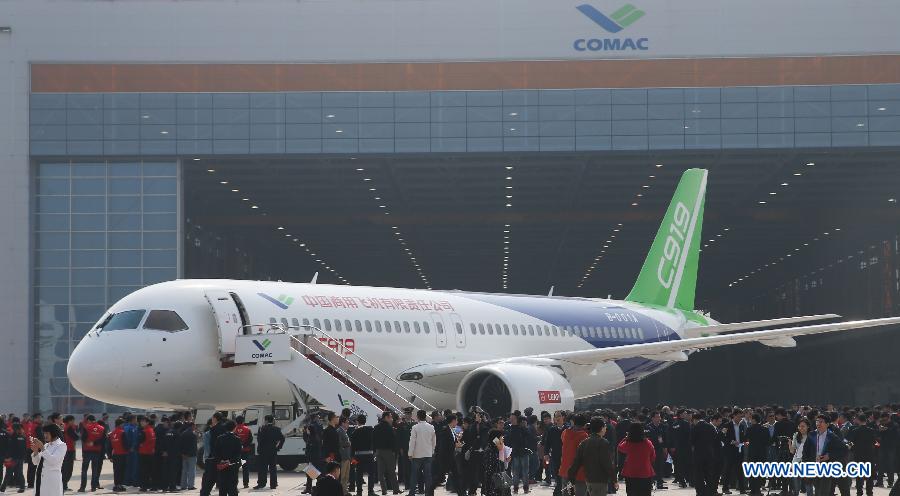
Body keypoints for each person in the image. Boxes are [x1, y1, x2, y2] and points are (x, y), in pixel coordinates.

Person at [568, 417, 616, 496]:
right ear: (601, 428)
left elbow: (576, 462)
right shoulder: (603, 442)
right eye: (604, 427)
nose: (605, 429)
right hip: (600, 480)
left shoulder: (584, 443)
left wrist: (571, 477)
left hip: (588, 479)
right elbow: (607, 463)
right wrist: (614, 479)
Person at [804, 415, 849, 496]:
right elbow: (805, 452)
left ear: (827, 424)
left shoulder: (831, 436)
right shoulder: (811, 435)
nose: (818, 423)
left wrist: (829, 456)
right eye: (817, 421)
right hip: (814, 466)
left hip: (827, 467)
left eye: (821, 422)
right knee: (818, 490)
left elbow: (844, 449)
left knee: (823, 491)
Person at [617, 423, 655, 496]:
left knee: (631, 493)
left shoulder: (627, 443)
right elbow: (653, 457)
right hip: (645, 472)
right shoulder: (648, 443)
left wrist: (625, 438)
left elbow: (619, 447)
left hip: (630, 472)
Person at [31, 424, 66, 496]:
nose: (45, 435)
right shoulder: (47, 445)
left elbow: (53, 461)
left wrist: (42, 448)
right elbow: (35, 462)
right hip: (40, 477)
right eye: (44, 433)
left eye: (47, 433)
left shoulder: (61, 445)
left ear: (54, 433)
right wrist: (35, 452)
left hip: (51, 479)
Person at [690, 412, 720, 496]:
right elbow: (716, 440)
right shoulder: (710, 427)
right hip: (709, 454)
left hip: (698, 455)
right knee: (709, 475)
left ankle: (700, 492)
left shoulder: (695, 427)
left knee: (698, 475)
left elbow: (691, 441)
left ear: (695, 419)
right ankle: (710, 491)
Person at [847, 414, 876, 496]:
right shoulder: (871, 430)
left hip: (858, 455)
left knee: (859, 475)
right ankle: (869, 492)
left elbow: (851, 443)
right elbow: (875, 442)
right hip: (869, 455)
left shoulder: (855, 431)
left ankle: (859, 491)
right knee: (869, 475)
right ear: (866, 420)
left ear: (859, 420)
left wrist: (852, 450)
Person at [408, 410, 436, 496]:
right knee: (428, 475)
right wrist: (432, 451)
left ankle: (412, 493)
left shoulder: (415, 427)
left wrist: (410, 453)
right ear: (425, 416)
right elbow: (434, 441)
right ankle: (429, 493)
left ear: (418, 417)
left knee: (414, 475)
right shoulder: (431, 427)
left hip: (417, 455)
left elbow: (412, 442)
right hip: (428, 454)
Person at [560, 414, 589, 496]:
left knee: (566, 493)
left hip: (566, 469)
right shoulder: (584, 436)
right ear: (584, 424)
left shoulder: (565, 433)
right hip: (579, 471)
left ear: (573, 422)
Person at [254, 415, 284, 490]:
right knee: (273, 468)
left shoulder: (262, 428)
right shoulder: (277, 429)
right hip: (273, 450)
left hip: (263, 451)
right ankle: (273, 484)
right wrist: (278, 447)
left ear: (266, 420)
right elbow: (282, 439)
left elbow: (259, 440)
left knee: (262, 468)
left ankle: (261, 483)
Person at [374, 412, 400, 495]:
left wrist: (375, 451)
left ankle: (384, 490)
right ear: (386, 418)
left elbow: (373, 440)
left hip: (378, 451)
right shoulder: (389, 428)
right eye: (390, 417)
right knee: (391, 471)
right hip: (388, 452)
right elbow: (394, 441)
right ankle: (395, 490)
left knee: (380, 473)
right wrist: (395, 452)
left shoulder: (376, 427)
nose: (392, 419)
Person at [745, 414, 771, 496]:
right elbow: (769, 442)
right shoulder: (765, 429)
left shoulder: (749, 429)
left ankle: (752, 490)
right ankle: (758, 490)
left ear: (753, 420)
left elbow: (745, 438)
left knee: (752, 472)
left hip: (752, 453)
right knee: (760, 472)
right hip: (762, 453)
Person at [78, 415, 105, 493]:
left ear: (89, 420)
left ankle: (82, 487)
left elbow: (83, 438)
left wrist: (90, 442)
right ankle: (93, 487)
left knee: (84, 470)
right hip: (97, 451)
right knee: (95, 470)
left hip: (87, 450)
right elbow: (103, 440)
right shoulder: (102, 428)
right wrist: (94, 443)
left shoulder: (86, 427)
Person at [214, 421, 242, 496]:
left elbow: (216, 452)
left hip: (222, 465)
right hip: (233, 465)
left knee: (222, 485)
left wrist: (221, 460)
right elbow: (238, 453)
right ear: (234, 428)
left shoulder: (219, 438)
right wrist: (230, 460)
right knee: (233, 485)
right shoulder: (237, 439)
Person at [788, 418, 812, 496]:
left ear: (808, 426)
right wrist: (789, 443)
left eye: (803, 426)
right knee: (796, 484)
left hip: (807, 462)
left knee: (808, 484)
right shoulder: (796, 435)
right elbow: (792, 451)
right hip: (796, 461)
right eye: (799, 426)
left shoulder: (811, 435)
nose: (801, 428)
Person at [1, 423, 27, 493]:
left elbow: (10, 448)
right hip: (20, 458)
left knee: (8, 473)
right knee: (19, 473)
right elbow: (24, 448)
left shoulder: (12, 437)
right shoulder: (23, 437)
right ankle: (22, 487)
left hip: (13, 458)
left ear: (15, 429)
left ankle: (3, 488)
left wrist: (7, 457)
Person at [646, 412, 668, 490]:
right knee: (651, 467)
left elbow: (665, 438)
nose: (659, 419)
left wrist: (665, 448)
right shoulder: (648, 427)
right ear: (652, 418)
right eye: (657, 417)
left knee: (660, 466)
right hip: (650, 450)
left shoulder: (663, 426)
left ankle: (660, 483)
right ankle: (650, 484)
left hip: (660, 449)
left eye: (659, 417)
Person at [481, 430, 507, 496]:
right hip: (492, 479)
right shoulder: (490, 450)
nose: (503, 439)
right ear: (496, 439)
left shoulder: (495, 449)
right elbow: (489, 467)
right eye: (501, 437)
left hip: (497, 477)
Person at [233, 416, 254, 490]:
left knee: (235, 468)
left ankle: (234, 484)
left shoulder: (234, 430)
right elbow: (250, 440)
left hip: (236, 453)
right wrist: (244, 445)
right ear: (243, 421)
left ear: (236, 421)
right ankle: (245, 484)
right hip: (245, 452)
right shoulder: (247, 429)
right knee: (245, 468)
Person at [109, 418, 128, 493]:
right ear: (121, 424)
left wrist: (110, 456)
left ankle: (116, 485)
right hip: (122, 454)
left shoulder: (112, 433)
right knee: (122, 470)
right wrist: (127, 450)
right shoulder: (122, 432)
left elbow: (109, 446)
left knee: (116, 470)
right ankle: (120, 485)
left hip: (115, 454)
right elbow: (125, 444)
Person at [179, 421, 198, 491]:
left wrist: (183, 453)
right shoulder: (193, 434)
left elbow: (180, 445)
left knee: (184, 470)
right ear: (192, 426)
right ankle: (190, 485)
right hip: (192, 455)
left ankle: (183, 485)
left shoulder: (183, 433)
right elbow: (193, 446)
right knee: (191, 471)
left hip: (184, 455)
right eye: (195, 426)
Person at [60, 416, 78, 492]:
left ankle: (63, 485)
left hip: (64, 450)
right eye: (73, 421)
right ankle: (64, 485)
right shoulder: (69, 428)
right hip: (69, 450)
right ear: (70, 421)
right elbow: (75, 437)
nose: (74, 422)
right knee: (68, 469)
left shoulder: (64, 427)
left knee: (64, 468)